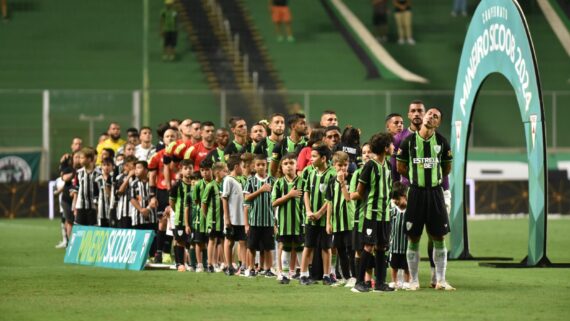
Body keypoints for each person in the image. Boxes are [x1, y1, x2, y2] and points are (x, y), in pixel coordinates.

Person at [396, 107, 455, 291]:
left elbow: (446, 169)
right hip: (415, 193)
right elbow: (400, 167)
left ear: (438, 123)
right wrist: (417, 178)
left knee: (439, 236)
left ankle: (441, 280)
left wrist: (431, 179)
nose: (431, 117)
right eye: (429, 113)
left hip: (436, 193)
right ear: (424, 117)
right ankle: (413, 281)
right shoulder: (408, 141)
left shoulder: (442, 142)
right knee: (413, 237)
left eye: (436, 116)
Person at [350, 132, 394, 293]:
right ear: (385, 148)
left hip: (386, 214)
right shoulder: (370, 166)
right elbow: (360, 192)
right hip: (372, 213)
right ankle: (359, 282)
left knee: (382, 247)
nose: (393, 147)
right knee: (368, 247)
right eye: (391, 144)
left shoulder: (388, 166)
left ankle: (380, 282)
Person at [299, 144, 336, 285]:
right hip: (310, 218)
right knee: (308, 246)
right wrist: (308, 211)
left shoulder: (332, 174)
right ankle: (303, 275)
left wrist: (320, 213)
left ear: (323, 158)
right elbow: (306, 192)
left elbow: (331, 198)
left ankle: (327, 275)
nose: (311, 159)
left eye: (314, 156)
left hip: (325, 219)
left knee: (326, 247)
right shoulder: (311, 172)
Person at [272, 153, 304, 284]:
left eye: (291, 163)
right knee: (285, 247)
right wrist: (289, 195)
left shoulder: (303, 182)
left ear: (297, 165)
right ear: (282, 167)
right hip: (284, 223)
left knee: (300, 247)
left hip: (300, 222)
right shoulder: (279, 183)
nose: (289, 166)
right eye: (285, 164)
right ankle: (284, 275)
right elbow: (273, 202)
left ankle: (303, 274)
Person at [244, 155, 276, 277]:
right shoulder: (251, 181)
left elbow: (275, 201)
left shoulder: (272, 181)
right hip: (254, 221)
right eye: (258, 165)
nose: (261, 167)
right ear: (254, 166)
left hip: (268, 221)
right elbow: (246, 198)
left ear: (266, 165)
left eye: (263, 164)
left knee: (268, 247)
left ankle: (268, 269)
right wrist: (260, 190)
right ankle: (251, 268)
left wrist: (275, 222)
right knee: (251, 246)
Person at [148, 127, 177, 263]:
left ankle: (167, 252)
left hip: (177, 191)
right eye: (167, 136)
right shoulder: (157, 156)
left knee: (174, 221)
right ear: (163, 139)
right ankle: (158, 252)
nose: (170, 138)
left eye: (173, 136)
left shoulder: (180, 155)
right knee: (162, 222)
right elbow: (152, 177)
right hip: (162, 191)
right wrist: (152, 196)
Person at [325, 151, 355, 286]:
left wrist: (342, 182)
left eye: (345, 165)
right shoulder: (331, 182)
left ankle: (354, 277)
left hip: (349, 221)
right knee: (340, 250)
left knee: (351, 249)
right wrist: (328, 222)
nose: (343, 168)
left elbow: (348, 197)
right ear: (334, 165)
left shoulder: (352, 179)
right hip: (337, 222)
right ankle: (346, 277)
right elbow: (329, 203)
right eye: (340, 165)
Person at [347, 142, 372, 288]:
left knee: (370, 249)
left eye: (369, 152)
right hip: (360, 216)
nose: (366, 155)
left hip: (374, 217)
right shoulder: (357, 173)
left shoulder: (379, 170)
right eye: (363, 152)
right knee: (359, 249)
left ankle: (369, 279)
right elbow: (351, 196)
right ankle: (359, 279)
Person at [221, 155, 246, 276]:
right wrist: (226, 217)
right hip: (232, 217)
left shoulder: (239, 180)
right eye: (242, 166)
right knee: (229, 241)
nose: (243, 168)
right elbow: (224, 198)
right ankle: (228, 265)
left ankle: (243, 266)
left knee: (242, 241)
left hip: (241, 218)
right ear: (236, 167)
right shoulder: (228, 180)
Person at [129, 161, 158, 258]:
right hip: (138, 217)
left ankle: (152, 257)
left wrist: (148, 209)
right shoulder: (133, 183)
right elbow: (132, 198)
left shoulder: (153, 182)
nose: (136, 170)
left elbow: (155, 197)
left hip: (152, 216)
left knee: (152, 238)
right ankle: (137, 257)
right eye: (135, 168)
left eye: (139, 168)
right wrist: (141, 209)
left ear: (146, 170)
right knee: (139, 239)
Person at [170, 160, 193, 272]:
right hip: (180, 218)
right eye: (186, 168)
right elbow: (172, 202)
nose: (188, 170)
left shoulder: (195, 184)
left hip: (193, 218)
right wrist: (178, 211)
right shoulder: (177, 185)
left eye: (190, 168)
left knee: (193, 241)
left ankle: (190, 263)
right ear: (181, 170)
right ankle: (180, 263)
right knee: (180, 241)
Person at [192, 159, 214, 272]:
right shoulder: (198, 185)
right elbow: (195, 201)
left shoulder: (216, 183)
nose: (205, 173)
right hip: (200, 218)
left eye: (207, 170)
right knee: (199, 241)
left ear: (212, 170)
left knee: (211, 240)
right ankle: (199, 264)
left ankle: (211, 263)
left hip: (214, 216)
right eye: (202, 170)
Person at [203, 162, 225, 273]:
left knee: (223, 240)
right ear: (217, 172)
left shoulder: (225, 184)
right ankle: (210, 264)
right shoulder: (210, 186)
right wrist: (207, 216)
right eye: (224, 171)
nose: (225, 173)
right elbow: (204, 203)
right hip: (212, 218)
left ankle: (225, 264)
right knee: (212, 240)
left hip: (223, 218)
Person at [271, 113, 308, 177]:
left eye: (305, 123)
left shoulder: (309, 143)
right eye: (302, 123)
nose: (305, 126)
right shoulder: (280, 145)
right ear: (293, 126)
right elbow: (273, 170)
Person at [388, 181, 410, 289]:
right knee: (394, 265)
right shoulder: (392, 210)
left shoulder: (410, 210)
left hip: (406, 245)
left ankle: (407, 281)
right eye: (393, 199)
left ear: (404, 196)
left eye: (397, 198)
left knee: (406, 264)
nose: (395, 201)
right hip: (395, 244)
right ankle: (394, 281)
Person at [71, 148, 98, 226]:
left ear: (89, 159)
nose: (80, 160)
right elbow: (76, 191)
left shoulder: (98, 173)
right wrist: (74, 206)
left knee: (92, 230)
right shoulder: (79, 173)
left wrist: (98, 207)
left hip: (93, 208)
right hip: (80, 207)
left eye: (82, 158)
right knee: (79, 230)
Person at [113, 156, 138, 228]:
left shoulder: (138, 177)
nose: (134, 167)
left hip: (136, 213)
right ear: (125, 166)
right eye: (133, 165)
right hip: (124, 212)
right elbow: (119, 192)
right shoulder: (119, 177)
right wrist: (129, 176)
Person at [94, 157, 115, 227]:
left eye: (108, 165)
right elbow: (95, 197)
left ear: (112, 166)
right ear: (101, 166)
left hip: (113, 209)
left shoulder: (115, 179)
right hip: (101, 210)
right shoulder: (97, 180)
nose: (106, 167)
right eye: (104, 165)